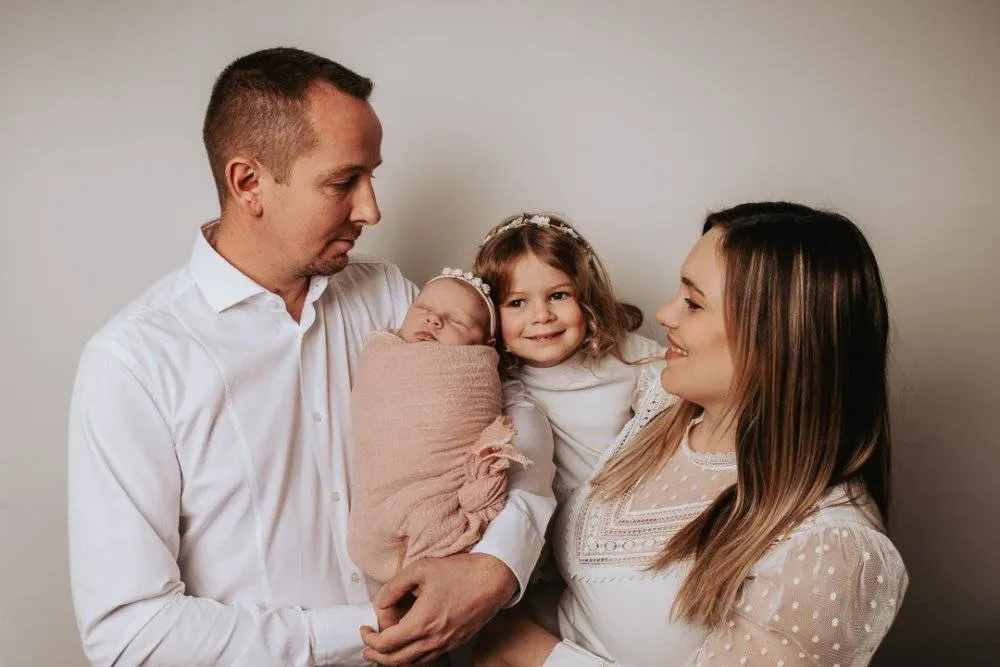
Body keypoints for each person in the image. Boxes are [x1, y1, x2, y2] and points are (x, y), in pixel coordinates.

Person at [67, 47, 555, 667]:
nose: (371, 210)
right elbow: (129, 633)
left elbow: (514, 415)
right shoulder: (134, 363)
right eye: (343, 182)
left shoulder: (389, 297)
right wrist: (370, 627)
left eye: (372, 177)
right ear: (248, 183)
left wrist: (496, 565)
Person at [474, 202, 909, 666]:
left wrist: (522, 646)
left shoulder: (831, 549)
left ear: (777, 337)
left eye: (694, 303)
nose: (664, 314)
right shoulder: (658, 410)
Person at [348, 269, 532, 586]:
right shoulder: (383, 353)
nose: (433, 320)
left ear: (485, 344)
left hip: (438, 501)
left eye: (456, 320)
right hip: (376, 505)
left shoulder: (472, 370)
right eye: (423, 309)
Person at [473, 213, 666, 505]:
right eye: (517, 302)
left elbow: (691, 392)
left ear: (587, 296)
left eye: (558, 296)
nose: (542, 316)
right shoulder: (494, 378)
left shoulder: (628, 354)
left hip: (630, 501)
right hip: (547, 518)